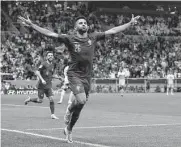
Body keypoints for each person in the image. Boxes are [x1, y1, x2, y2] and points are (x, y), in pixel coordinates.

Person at [19, 14, 140, 143]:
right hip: (74, 74)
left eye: (85, 23)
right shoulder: (70, 39)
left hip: (87, 77)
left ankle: (69, 129)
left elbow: (113, 30)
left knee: (80, 106)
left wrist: (129, 23)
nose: (84, 24)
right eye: (81, 23)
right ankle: (70, 110)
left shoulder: (93, 37)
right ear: (75, 27)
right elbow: (50, 34)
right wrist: (32, 25)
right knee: (81, 100)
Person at [24, 51, 59, 119]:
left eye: (51, 55)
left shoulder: (52, 65)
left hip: (48, 85)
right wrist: (42, 79)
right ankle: (30, 99)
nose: (50, 56)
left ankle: (52, 115)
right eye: (49, 55)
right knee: (40, 100)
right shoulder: (43, 64)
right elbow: (37, 72)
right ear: (46, 57)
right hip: (41, 86)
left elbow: (51, 75)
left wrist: (59, 77)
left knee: (51, 99)